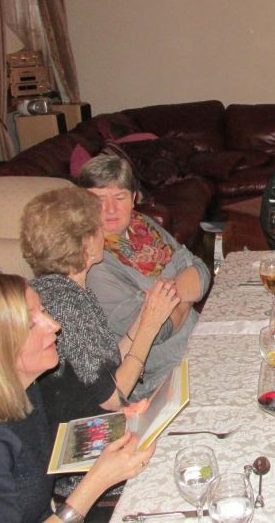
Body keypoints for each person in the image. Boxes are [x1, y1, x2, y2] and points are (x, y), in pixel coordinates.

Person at [0, 273, 155, 522]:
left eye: (43, 311)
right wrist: (97, 481)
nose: (54, 325)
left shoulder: (24, 390)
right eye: (31, 324)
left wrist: (111, 425)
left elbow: (45, 448)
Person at [19, 187, 178, 424]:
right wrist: (150, 326)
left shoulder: (62, 290)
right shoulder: (64, 304)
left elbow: (106, 366)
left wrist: (143, 317)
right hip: (81, 431)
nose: (104, 233)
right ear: (86, 243)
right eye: (98, 227)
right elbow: (112, 398)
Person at [77, 154, 210, 398]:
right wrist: (184, 292)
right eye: (99, 200)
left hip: (199, 346)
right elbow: (155, 330)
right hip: (162, 378)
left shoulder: (142, 226)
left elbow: (201, 270)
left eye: (120, 197)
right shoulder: (93, 263)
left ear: (134, 199)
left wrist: (166, 299)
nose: (110, 209)